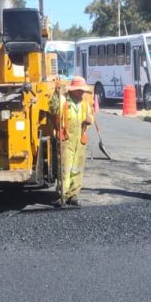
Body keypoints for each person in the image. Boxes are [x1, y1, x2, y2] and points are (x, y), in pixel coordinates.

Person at [51, 76, 94, 206]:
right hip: (66, 139)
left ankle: (73, 195)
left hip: (80, 138)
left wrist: (89, 120)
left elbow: (90, 115)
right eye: (79, 90)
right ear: (73, 90)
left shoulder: (84, 102)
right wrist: (55, 95)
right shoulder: (63, 100)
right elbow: (53, 110)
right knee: (65, 168)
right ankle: (62, 195)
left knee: (77, 168)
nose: (81, 92)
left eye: (82, 90)